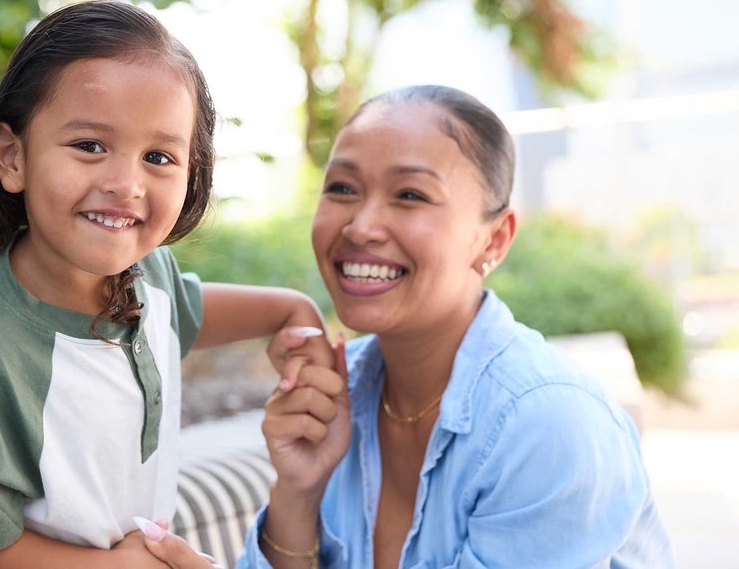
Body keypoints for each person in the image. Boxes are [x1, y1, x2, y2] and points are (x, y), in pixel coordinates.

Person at [0, 0, 326, 568]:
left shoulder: (144, 273)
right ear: (12, 155)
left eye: (158, 156)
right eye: (90, 146)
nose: (125, 184)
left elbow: (184, 312)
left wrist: (288, 311)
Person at [235, 84, 675, 568]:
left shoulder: (546, 424)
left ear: (493, 240)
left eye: (409, 195)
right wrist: (299, 491)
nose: (361, 227)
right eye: (342, 188)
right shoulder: (335, 394)